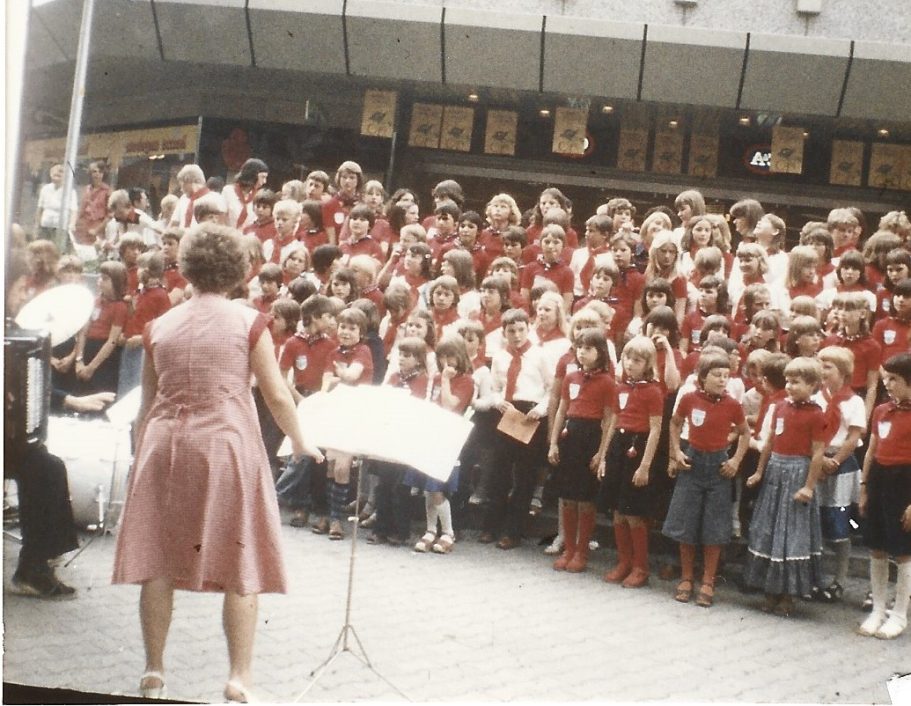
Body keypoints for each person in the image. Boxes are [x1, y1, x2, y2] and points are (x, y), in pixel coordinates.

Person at [111, 222, 323, 702]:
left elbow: (147, 403)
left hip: (165, 444)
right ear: (237, 270)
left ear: (188, 267)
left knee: (159, 562)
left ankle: (154, 671)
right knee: (240, 560)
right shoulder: (249, 323)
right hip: (225, 444)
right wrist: (302, 441)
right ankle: (238, 677)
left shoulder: (159, 325)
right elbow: (276, 396)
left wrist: (141, 451)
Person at [664, 351, 750, 607]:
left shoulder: (733, 405)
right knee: (686, 524)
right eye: (716, 375)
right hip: (692, 463)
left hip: (717, 468)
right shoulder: (690, 399)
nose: (723, 380)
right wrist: (677, 452)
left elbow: (744, 433)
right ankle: (687, 578)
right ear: (702, 377)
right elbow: (675, 424)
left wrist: (735, 461)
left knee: (714, 527)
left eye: (726, 375)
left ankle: (709, 580)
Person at [744, 357, 827, 617]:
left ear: (813, 385)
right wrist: (759, 471)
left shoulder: (816, 414)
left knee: (791, 533)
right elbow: (769, 442)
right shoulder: (779, 406)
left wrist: (809, 487)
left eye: (797, 382)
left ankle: (789, 595)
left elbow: (817, 453)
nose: (790, 386)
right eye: (788, 381)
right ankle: (770, 590)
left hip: (797, 475)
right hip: (774, 474)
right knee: (769, 529)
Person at [481, 308, 553, 549]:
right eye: (511, 331)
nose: (517, 335)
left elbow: (551, 388)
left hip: (529, 415)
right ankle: (491, 526)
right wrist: (497, 400)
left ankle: (513, 531)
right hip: (507, 412)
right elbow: (494, 386)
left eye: (521, 330)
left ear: (528, 328)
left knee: (524, 475)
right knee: (499, 472)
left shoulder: (539, 355)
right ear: (504, 332)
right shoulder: (501, 356)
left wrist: (540, 410)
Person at [598, 335, 664, 588]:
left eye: (637, 360)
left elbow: (656, 429)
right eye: (627, 358)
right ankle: (624, 561)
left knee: (633, 513)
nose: (630, 363)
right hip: (618, 446)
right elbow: (613, 421)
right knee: (617, 511)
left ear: (648, 363)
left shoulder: (653, 391)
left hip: (639, 447)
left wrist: (645, 465)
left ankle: (640, 567)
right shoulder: (621, 388)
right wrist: (604, 456)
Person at [548, 329, 615, 573]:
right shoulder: (571, 377)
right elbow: (562, 409)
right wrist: (554, 442)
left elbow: (609, 419)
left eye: (588, 348)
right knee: (568, 497)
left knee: (585, 499)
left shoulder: (608, 382)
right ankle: (568, 548)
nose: (582, 353)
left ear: (601, 353)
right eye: (579, 348)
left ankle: (581, 551)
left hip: (591, 437)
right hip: (571, 436)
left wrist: (602, 452)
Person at [857, 352, 911, 639]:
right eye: (886, 378)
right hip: (879, 477)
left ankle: (899, 614)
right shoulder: (881, 411)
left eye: (894, 379)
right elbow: (871, 450)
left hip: (906, 482)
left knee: (903, 551)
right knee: (876, 546)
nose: (887, 384)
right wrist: (864, 487)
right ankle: (878, 609)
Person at [809, 346, 866, 603]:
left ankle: (839, 580)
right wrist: (819, 461)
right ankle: (813, 579)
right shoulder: (816, 398)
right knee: (814, 522)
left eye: (827, 366)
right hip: (816, 461)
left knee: (838, 524)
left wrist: (835, 461)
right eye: (820, 365)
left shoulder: (854, 401)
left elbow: (854, 436)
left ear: (843, 372)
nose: (822, 371)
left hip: (840, 464)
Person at [73, 261, 128, 395]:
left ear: (116, 282)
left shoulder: (120, 307)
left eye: (105, 279)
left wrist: (91, 368)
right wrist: (79, 360)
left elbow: (112, 341)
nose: (100, 281)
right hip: (87, 349)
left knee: (100, 394)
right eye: (99, 277)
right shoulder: (94, 301)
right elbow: (83, 332)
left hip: (104, 357)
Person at [34, 163, 77, 251]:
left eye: (61, 173)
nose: (57, 175)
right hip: (45, 226)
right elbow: (40, 209)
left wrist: (72, 224)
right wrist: (36, 226)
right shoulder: (45, 189)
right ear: (50, 174)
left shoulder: (70, 191)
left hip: (60, 227)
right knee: (42, 250)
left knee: (57, 251)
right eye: (55, 173)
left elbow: (74, 210)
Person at [73, 160, 112, 247]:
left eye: (100, 172)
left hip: (97, 225)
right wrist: (75, 223)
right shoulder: (87, 189)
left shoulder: (107, 191)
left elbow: (110, 215)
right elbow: (81, 208)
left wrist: (97, 229)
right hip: (83, 225)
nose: (97, 174)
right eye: (94, 172)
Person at [223, 158, 269, 229]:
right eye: (262, 177)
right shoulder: (228, 191)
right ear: (252, 175)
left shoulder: (258, 196)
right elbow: (221, 217)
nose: (264, 181)